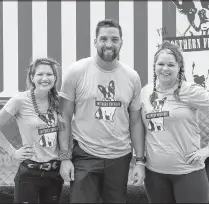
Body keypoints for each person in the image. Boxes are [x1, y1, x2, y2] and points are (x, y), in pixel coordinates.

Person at [58, 19, 145, 203]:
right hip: (84, 154)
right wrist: (65, 158)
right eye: (103, 39)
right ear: (95, 41)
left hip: (119, 157)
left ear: (121, 42)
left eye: (114, 39)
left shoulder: (132, 77)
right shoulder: (76, 72)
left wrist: (140, 161)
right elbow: (64, 117)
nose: (109, 44)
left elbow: (136, 121)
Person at [140, 41, 209, 203]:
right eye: (161, 64)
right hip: (154, 174)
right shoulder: (145, 92)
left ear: (179, 67)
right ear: (154, 66)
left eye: (170, 65)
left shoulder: (189, 91)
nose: (165, 68)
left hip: (188, 173)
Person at [0, 58, 64, 203]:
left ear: (55, 78)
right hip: (29, 174)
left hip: (54, 174)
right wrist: (13, 152)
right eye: (40, 74)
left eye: (49, 74)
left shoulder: (59, 101)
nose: (45, 78)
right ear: (32, 77)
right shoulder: (20, 100)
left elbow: (67, 132)